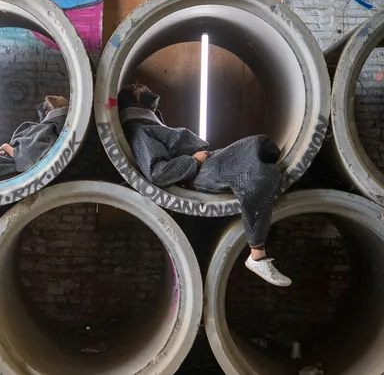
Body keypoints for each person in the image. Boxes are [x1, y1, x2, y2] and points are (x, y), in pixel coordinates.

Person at [118, 84, 291, 287]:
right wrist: (194, 161)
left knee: (263, 153)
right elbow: (158, 172)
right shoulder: (138, 129)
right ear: (133, 99)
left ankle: (257, 248)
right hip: (200, 171)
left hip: (208, 160)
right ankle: (257, 255)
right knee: (255, 168)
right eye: (140, 88)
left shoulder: (151, 122)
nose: (146, 88)